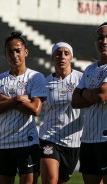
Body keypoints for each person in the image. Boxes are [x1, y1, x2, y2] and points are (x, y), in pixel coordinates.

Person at [0, 31, 46, 184]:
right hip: (2, 143)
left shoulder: (36, 77)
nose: (14, 55)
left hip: (27, 142)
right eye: (10, 51)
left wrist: (6, 100)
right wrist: (19, 100)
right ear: (5, 54)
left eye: (18, 50)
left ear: (25, 51)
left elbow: (35, 109)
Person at [39, 42, 83, 184]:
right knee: (51, 180)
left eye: (66, 53)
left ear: (71, 57)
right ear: (52, 58)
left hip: (74, 142)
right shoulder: (44, 83)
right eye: (58, 53)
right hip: (49, 138)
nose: (62, 57)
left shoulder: (82, 79)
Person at [71, 22, 107, 184]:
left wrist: (84, 92)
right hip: (88, 138)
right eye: (100, 37)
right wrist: (90, 95)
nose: (104, 41)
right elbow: (75, 101)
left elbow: (101, 95)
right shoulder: (90, 69)